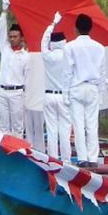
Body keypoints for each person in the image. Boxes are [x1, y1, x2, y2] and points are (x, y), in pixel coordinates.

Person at [63, 13, 107, 168]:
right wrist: (101, 91)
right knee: (92, 124)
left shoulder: (70, 47)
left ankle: (82, 158)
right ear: (90, 28)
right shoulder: (99, 47)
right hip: (93, 87)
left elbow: (67, 72)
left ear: (75, 29)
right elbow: (102, 72)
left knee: (78, 124)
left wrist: (65, 93)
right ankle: (93, 157)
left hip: (76, 87)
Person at [40, 12, 72, 163]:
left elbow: (43, 41)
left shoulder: (48, 56)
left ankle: (52, 159)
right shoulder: (69, 57)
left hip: (49, 95)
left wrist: (52, 24)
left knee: (51, 130)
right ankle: (66, 160)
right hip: (64, 96)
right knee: (64, 130)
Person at [0, 0, 30, 137]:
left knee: (17, 126)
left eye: (15, 36)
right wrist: (4, 11)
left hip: (17, 92)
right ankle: (3, 153)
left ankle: (18, 151)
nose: (12, 39)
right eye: (10, 36)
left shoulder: (26, 55)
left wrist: (26, 97)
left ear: (21, 37)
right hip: (2, 90)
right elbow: (1, 29)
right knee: (3, 126)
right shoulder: (5, 49)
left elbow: (27, 78)